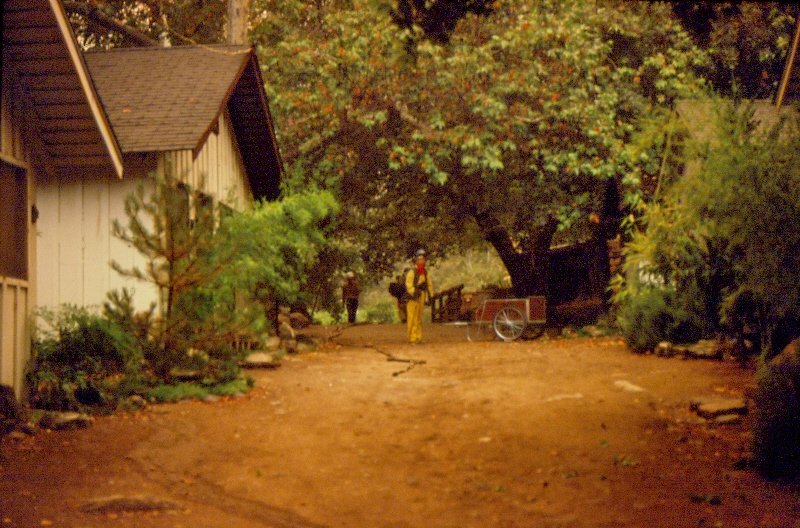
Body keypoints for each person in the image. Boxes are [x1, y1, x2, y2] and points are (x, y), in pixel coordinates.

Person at [405, 249, 434, 343]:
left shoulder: (425, 272)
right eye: (419, 259)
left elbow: (429, 284)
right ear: (416, 261)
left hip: (421, 296)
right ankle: (412, 338)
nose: (421, 261)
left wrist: (430, 296)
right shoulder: (412, 272)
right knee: (412, 318)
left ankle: (418, 337)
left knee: (419, 318)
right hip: (412, 298)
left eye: (423, 259)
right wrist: (415, 292)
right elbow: (408, 285)